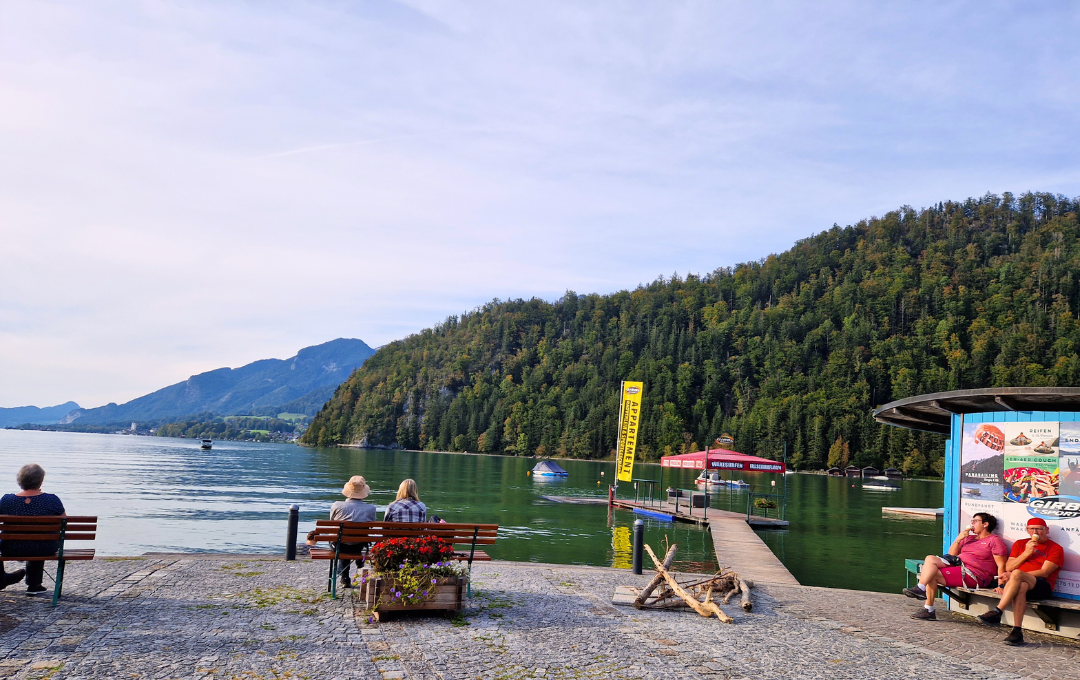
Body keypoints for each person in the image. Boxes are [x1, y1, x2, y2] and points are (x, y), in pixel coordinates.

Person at [976, 517, 1064, 645]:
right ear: (1027, 530)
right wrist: (1026, 553)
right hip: (1019, 584)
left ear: (1046, 530)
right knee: (1021, 586)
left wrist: (1016, 575)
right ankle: (1017, 631)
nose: (1035, 532)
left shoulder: (1056, 548)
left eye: (1039, 529)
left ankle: (998, 611)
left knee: (1017, 575)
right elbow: (1009, 567)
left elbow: (1044, 572)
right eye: (1032, 529)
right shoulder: (1020, 544)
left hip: (1042, 585)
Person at [905, 512, 1007, 620]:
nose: (972, 524)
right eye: (972, 521)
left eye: (975, 521)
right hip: (959, 566)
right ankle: (922, 590)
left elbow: (1001, 564)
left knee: (931, 574)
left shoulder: (994, 540)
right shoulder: (969, 538)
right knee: (930, 558)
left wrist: (1001, 585)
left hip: (975, 575)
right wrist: (959, 539)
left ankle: (928, 607)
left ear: (985, 524)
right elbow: (952, 554)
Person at [0, 464, 66, 595]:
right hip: (45, 547)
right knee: (39, 537)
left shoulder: (6, 500)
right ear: (41, 480)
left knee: (33, 537)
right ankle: (34, 585)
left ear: (20, 481)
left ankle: (1, 579)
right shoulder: (51, 500)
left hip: (10, 547)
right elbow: (64, 522)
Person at [329, 475, 376, 589]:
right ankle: (359, 560)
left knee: (341, 539)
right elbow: (371, 526)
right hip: (359, 546)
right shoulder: (371, 508)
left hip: (340, 545)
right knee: (350, 540)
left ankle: (344, 577)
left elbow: (332, 522)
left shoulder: (337, 505)